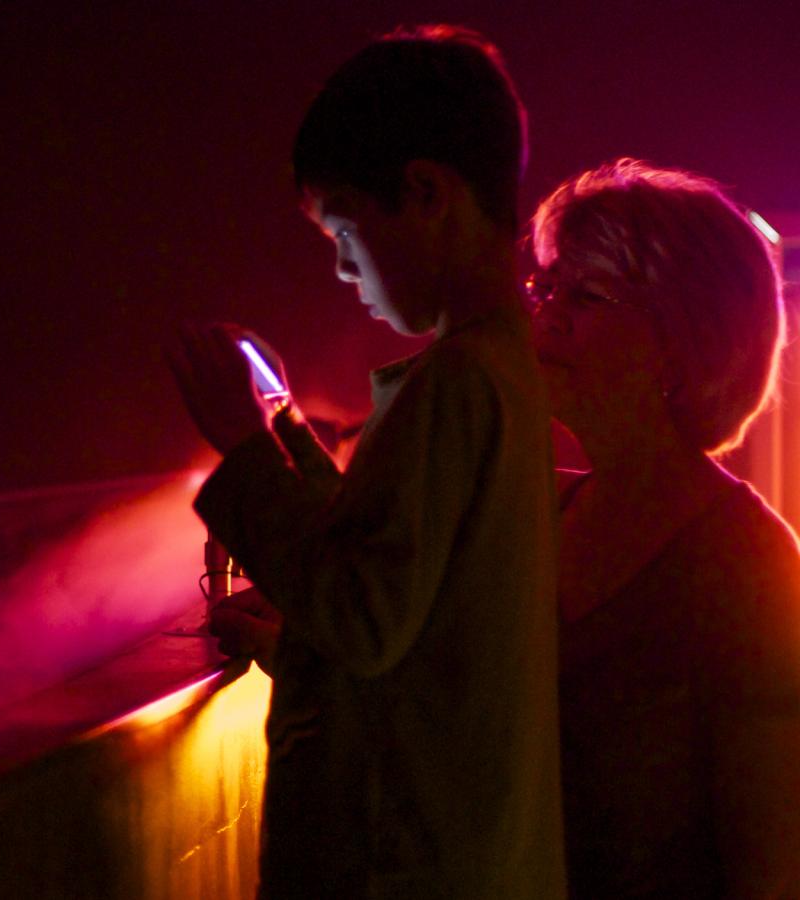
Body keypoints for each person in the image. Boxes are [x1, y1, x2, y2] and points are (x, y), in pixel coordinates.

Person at [167, 25, 565, 898]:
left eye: (345, 229)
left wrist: (243, 454)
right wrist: (290, 446)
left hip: (409, 869)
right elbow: (396, 568)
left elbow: (360, 617)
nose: (344, 268)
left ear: (426, 192)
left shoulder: (455, 383)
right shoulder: (502, 372)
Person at [528, 159, 800, 898]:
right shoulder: (536, 516)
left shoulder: (748, 560)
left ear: (681, 346)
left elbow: (769, 866)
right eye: (545, 286)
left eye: (585, 294)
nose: (544, 316)